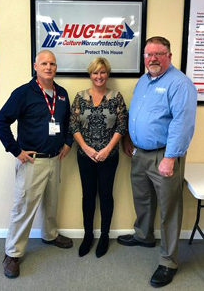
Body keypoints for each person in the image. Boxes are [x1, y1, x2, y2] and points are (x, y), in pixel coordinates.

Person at [117, 37, 197, 288]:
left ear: (169, 56)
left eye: (158, 54)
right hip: (140, 153)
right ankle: (143, 235)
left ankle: (168, 261)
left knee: (169, 209)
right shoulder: (143, 81)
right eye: (148, 54)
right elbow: (137, 114)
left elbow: (182, 125)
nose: (152, 58)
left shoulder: (180, 83)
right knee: (142, 199)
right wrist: (129, 139)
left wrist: (171, 158)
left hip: (165, 155)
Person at [0, 50, 73, 279]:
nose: (49, 67)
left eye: (52, 64)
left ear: (56, 68)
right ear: (35, 66)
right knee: (23, 208)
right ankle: (12, 253)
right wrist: (16, 150)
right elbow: (1, 122)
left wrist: (67, 142)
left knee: (51, 202)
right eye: (44, 63)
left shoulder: (61, 94)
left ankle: (50, 235)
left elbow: (67, 122)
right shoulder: (23, 93)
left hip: (55, 159)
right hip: (32, 161)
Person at [69, 57, 127, 258]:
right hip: (85, 156)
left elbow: (121, 125)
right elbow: (73, 125)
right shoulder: (80, 97)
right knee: (88, 196)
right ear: (90, 75)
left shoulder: (116, 97)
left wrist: (106, 149)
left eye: (102, 72)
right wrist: (86, 148)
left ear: (107, 74)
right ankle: (87, 236)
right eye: (95, 72)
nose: (99, 76)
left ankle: (104, 236)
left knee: (106, 195)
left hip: (108, 156)